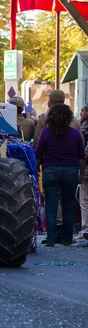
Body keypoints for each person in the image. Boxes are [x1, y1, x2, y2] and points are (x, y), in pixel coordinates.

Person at [35, 104, 85, 247]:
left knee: (51, 205)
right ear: (69, 117)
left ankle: (51, 239)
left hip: (50, 171)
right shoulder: (75, 133)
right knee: (68, 206)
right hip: (70, 171)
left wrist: (36, 169)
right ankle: (67, 239)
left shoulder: (45, 133)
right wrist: (81, 174)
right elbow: (81, 156)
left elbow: (38, 154)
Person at [77, 103, 88, 241]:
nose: (80, 113)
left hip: (86, 171)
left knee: (84, 200)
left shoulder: (84, 129)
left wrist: (81, 169)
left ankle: (85, 229)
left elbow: (85, 153)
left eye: (82, 110)